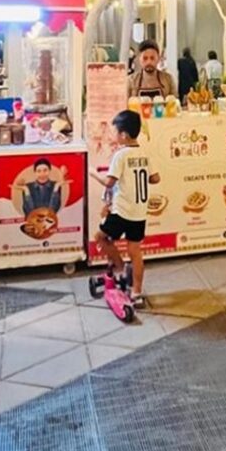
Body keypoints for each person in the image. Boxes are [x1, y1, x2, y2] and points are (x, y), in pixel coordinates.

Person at [95, 110, 160, 309]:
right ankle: (137, 292)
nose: (113, 135)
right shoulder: (144, 153)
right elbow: (155, 178)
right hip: (139, 212)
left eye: (115, 132)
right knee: (135, 250)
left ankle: (121, 268)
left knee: (101, 237)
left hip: (122, 210)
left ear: (123, 135)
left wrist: (92, 173)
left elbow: (109, 182)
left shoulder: (121, 155)